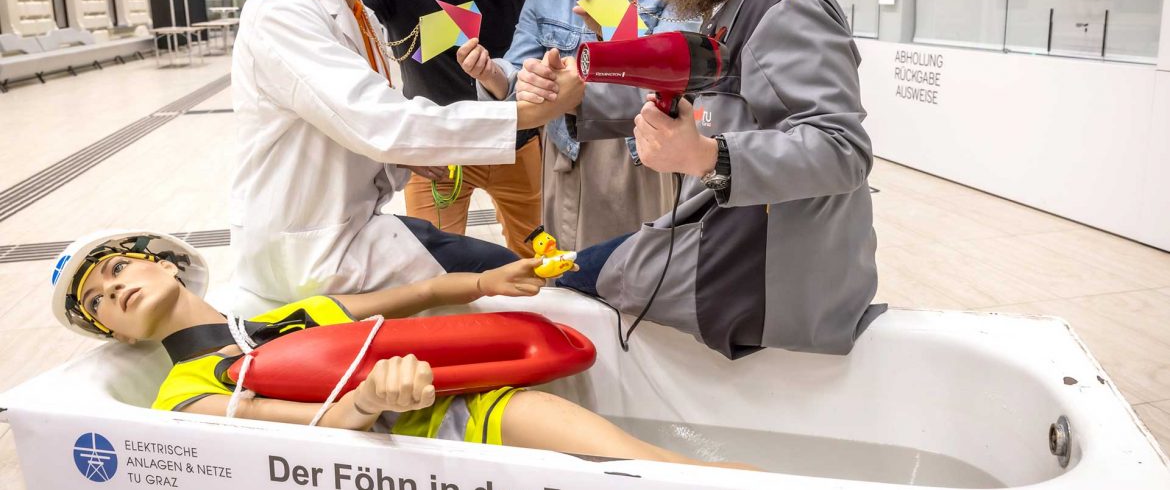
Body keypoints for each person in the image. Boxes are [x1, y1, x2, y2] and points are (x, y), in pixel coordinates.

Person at [517, 0, 885, 359]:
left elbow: (842, 150)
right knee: (573, 271)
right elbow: (709, 93)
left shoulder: (787, 6)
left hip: (759, 271)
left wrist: (708, 156)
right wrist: (577, 101)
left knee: (567, 284)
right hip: (725, 233)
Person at [48, 229, 751, 470]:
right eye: (99, 305)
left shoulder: (289, 318)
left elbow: (406, 301)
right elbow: (308, 426)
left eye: (117, 271)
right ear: (116, 334)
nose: (114, 293)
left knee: (663, 468)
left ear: (166, 263)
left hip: (475, 410)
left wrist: (486, 279)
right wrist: (369, 398)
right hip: (410, 448)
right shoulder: (184, 393)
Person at [231, 0, 553, 303]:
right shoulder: (291, 4)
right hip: (330, 232)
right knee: (489, 288)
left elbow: (359, 111)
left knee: (534, 265)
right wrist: (528, 111)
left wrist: (403, 158)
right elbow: (376, 119)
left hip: (464, 150)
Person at [474, 0, 691, 251]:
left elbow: (679, 79)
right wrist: (495, 76)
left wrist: (615, 21)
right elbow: (520, 70)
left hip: (645, 158)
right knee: (572, 284)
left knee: (643, 286)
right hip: (567, 160)